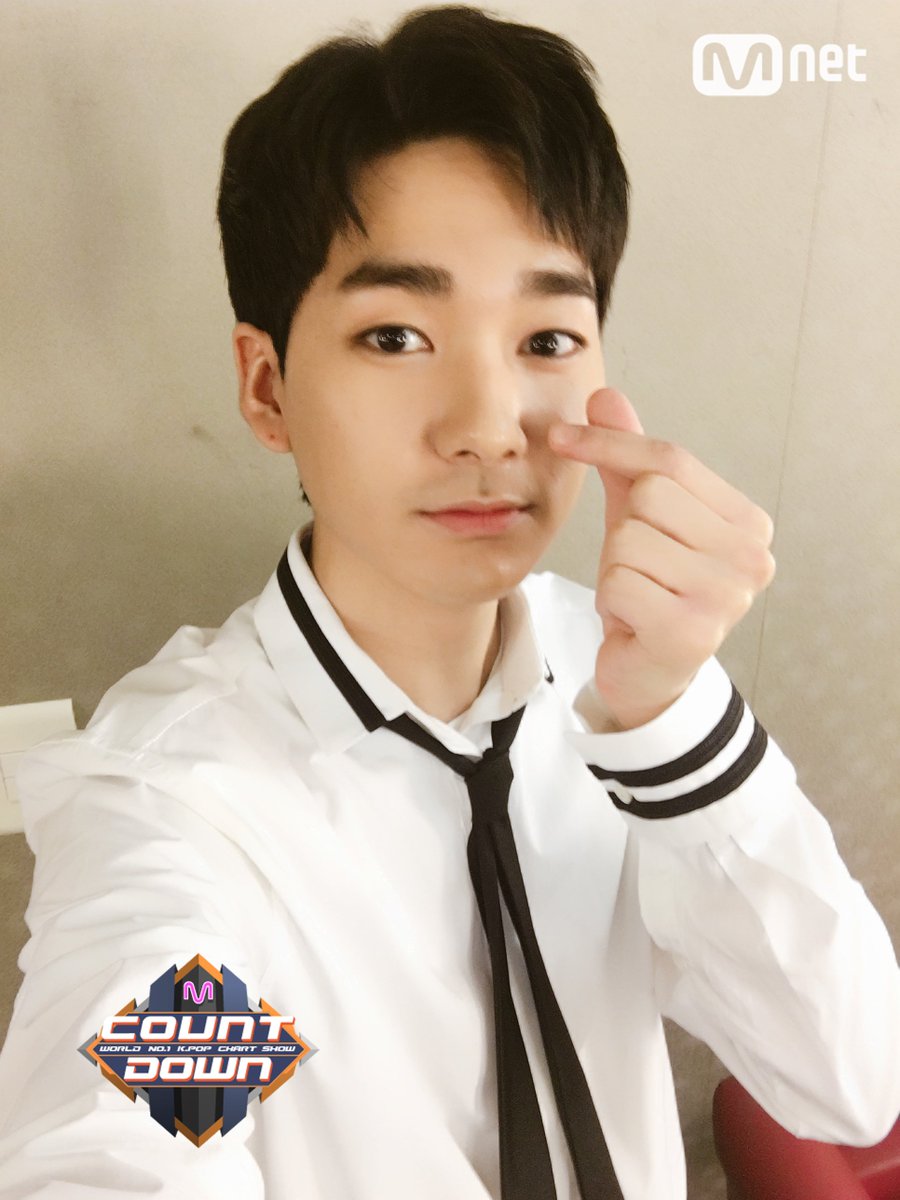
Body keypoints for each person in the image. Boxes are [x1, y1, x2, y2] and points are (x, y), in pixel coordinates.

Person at [1, 5, 897, 1198]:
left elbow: (846, 1084)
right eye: (395, 334)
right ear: (268, 389)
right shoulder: (196, 805)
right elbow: (124, 1150)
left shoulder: (624, 686)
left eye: (547, 338)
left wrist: (670, 723)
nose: (487, 426)